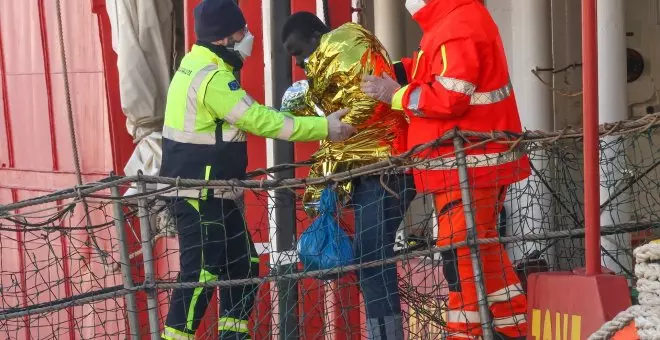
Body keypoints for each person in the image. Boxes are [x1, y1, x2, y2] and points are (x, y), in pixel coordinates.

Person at [158, 1, 356, 339]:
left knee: (242, 264)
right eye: (242, 32)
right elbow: (259, 120)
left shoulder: (197, 65)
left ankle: (234, 335)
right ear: (223, 38)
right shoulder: (213, 78)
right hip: (199, 194)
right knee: (202, 271)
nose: (248, 37)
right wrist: (324, 127)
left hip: (214, 192)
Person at [361, 0, 530, 339]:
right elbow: (437, 75)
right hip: (467, 165)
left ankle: (466, 332)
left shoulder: (456, 26)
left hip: (470, 165)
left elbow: (451, 97)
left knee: (464, 255)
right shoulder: (451, 22)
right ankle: (512, 328)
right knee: (480, 250)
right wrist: (401, 71)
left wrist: (397, 94)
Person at [281, 12, 416, 340]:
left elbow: (371, 101)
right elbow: (326, 119)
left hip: (385, 169)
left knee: (371, 255)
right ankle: (381, 331)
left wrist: (343, 127)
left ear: (316, 36)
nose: (298, 62)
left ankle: (386, 334)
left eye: (298, 52)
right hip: (367, 173)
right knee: (370, 257)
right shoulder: (325, 71)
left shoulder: (348, 43)